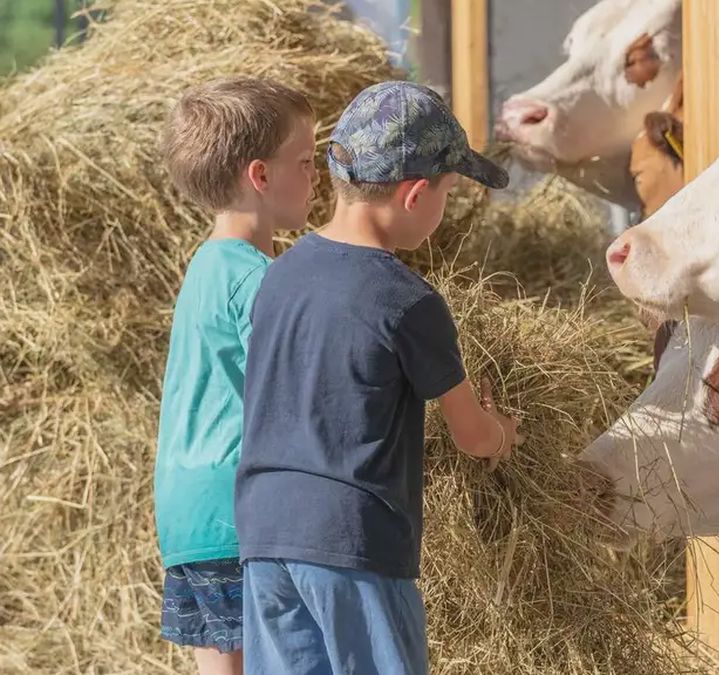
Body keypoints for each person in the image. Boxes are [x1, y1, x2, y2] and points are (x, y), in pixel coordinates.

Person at [236, 81, 519, 674]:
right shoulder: (407, 301)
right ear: (416, 195)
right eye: (447, 192)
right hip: (353, 541)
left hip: (265, 536)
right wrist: (503, 434)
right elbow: (470, 434)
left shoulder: (278, 277)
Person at [154, 76, 317, 675]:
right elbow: (294, 390)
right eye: (304, 160)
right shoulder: (258, 278)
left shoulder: (204, 265)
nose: (316, 174)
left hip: (188, 512)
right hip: (238, 512)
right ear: (260, 177)